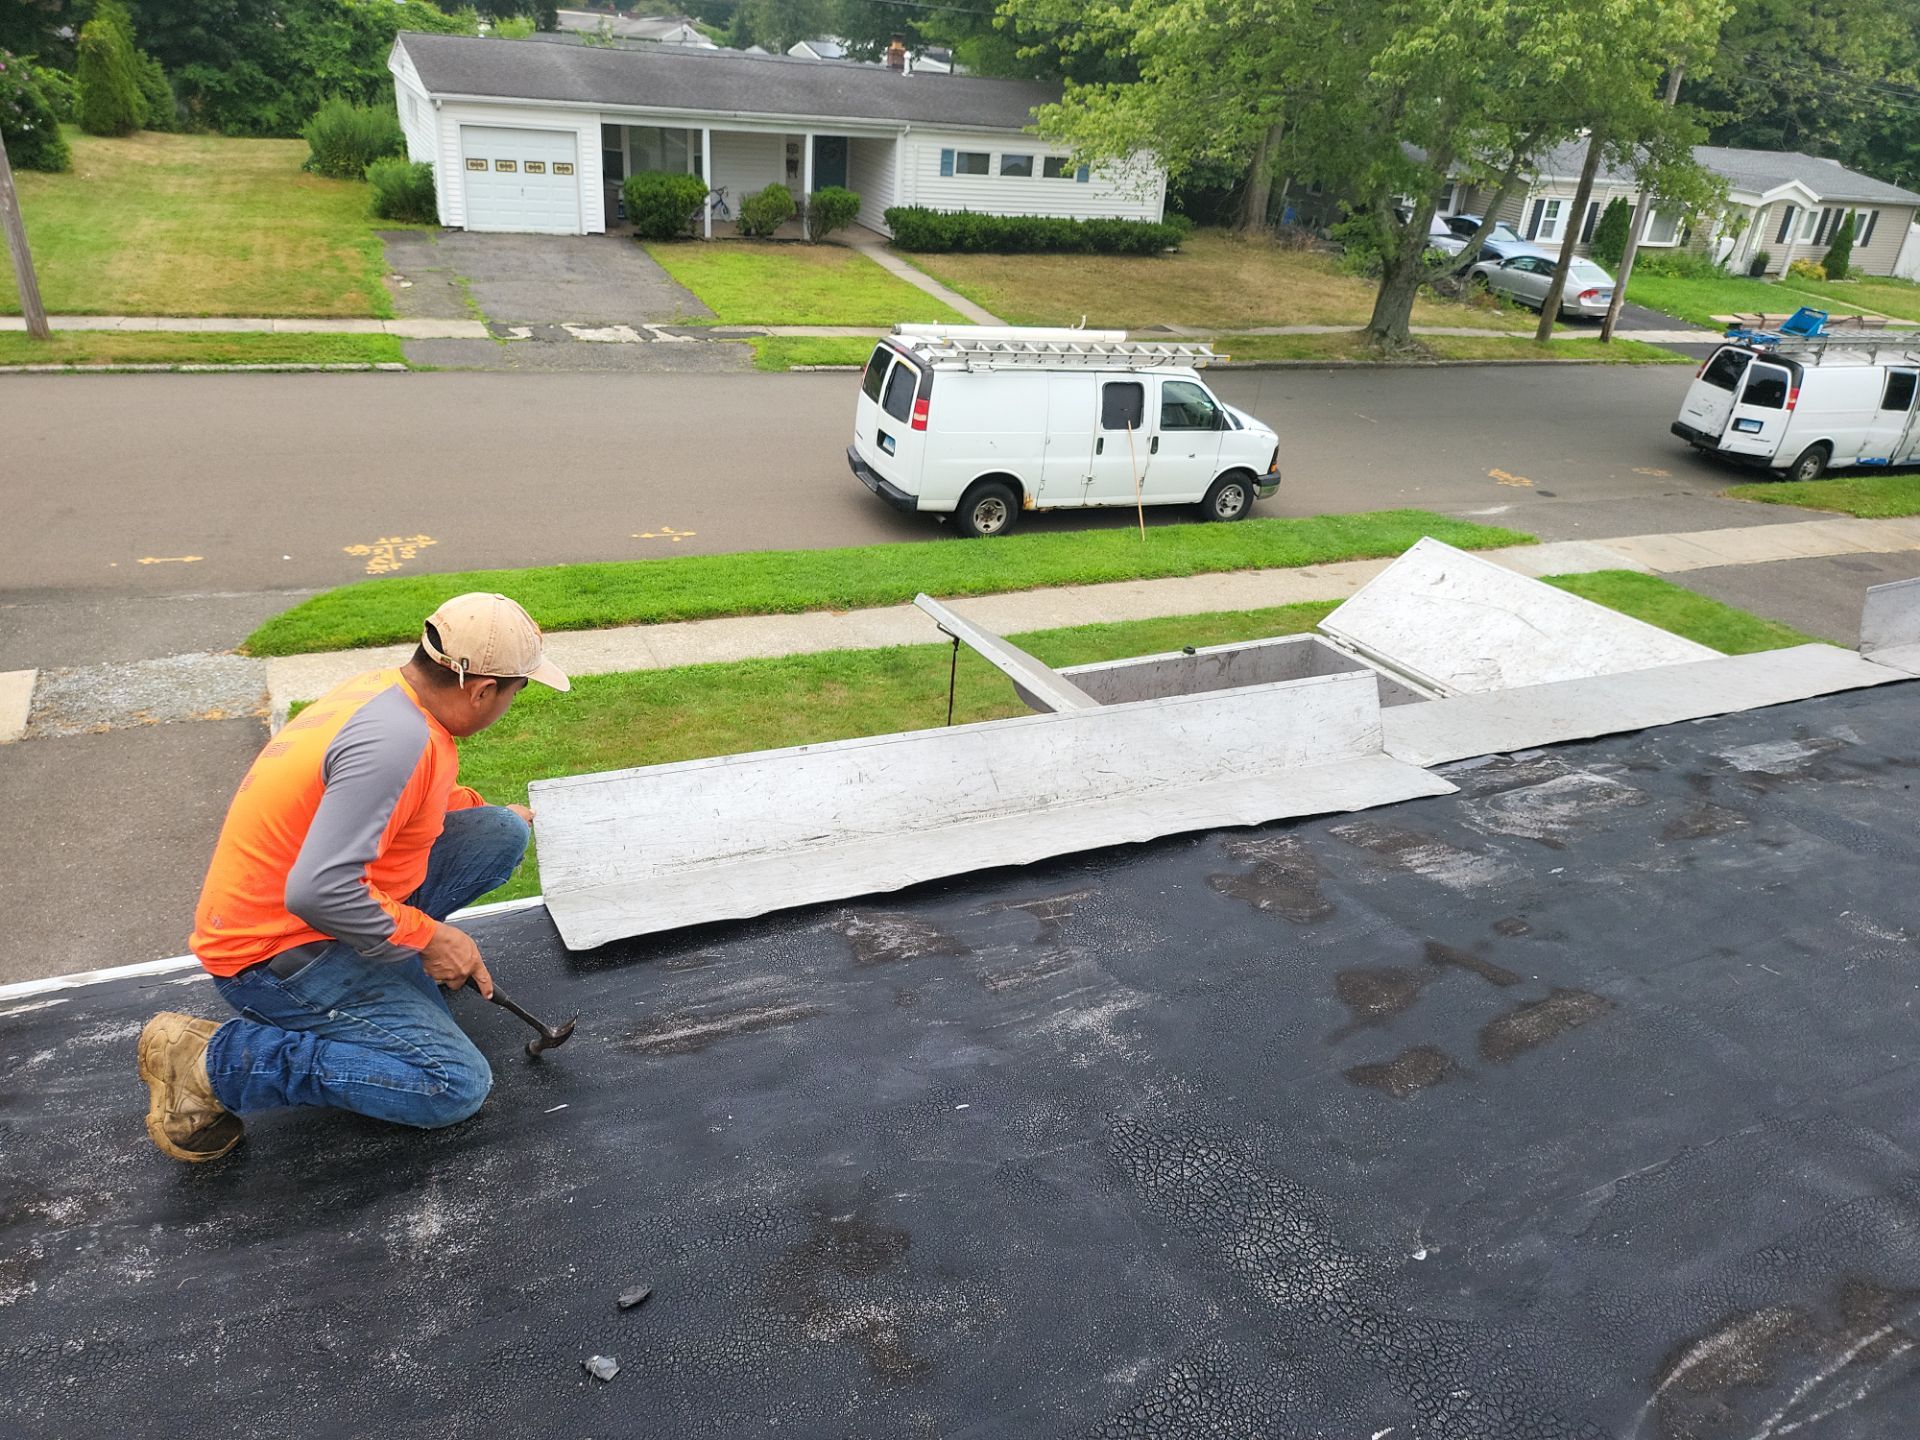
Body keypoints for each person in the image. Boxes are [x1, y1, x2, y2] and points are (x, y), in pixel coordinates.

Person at [137, 593, 570, 1162]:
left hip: (324, 910)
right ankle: (210, 1061)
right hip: (274, 954)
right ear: (483, 689)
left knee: (497, 833)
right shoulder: (398, 743)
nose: (514, 701)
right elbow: (318, 891)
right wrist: (432, 939)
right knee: (452, 1086)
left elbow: (398, 812)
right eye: (519, 689)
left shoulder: (390, 696)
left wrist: (488, 817)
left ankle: (387, 976)